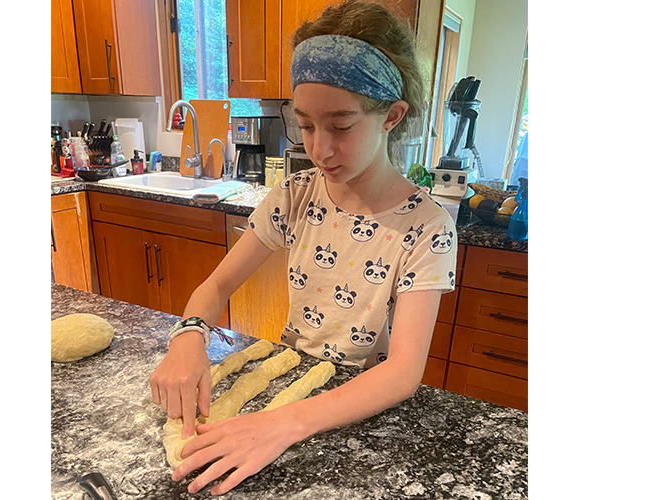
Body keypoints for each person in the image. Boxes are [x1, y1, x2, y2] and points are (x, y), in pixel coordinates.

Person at [149, 0, 457, 494]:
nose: (319, 149)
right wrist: (188, 336)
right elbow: (218, 283)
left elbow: (402, 372)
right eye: (306, 125)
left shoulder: (427, 227)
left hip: (358, 413)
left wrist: (287, 423)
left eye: (340, 125)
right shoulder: (296, 195)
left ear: (392, 116)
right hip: (287, 386)